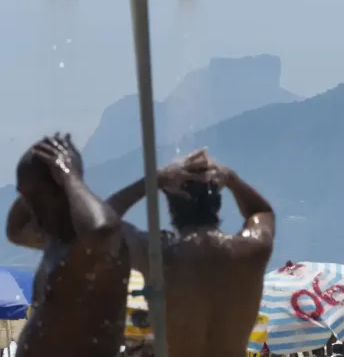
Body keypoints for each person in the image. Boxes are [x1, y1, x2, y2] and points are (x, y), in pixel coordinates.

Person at [105, 149, 275, 357]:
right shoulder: (250, 251)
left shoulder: (158, 255)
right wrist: (231, 178)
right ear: (217, 201)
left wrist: (154, 180)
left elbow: (103, 223)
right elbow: (262, 212)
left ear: (171, 206)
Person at [8, 134, 130, 357]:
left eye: (37, 198)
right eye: (26, 199)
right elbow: (14, 231)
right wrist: (34, 179)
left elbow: (101, 229)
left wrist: (69, 174)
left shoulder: (90, 252)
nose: (30, 210)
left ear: (64, 191)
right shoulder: (54, 242)